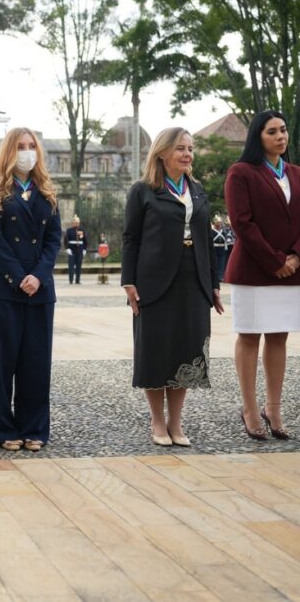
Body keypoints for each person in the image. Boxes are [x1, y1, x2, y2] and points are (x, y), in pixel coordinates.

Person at [122, 127, 223, 447]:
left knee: (186, 349)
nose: (187, 154)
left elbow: (206, 238)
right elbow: (131, 238)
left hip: (193, 279)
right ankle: (157, 421)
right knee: (155, 349)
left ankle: (176, 423)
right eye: (180, 148)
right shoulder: (143, 191)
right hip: (153, 281)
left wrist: (213, 283)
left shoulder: (197, 189)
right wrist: (129, 281)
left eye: (190, 148)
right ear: (162, 152)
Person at [0, 129, 62, 451]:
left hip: (40, 289)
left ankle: (34, 428)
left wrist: (38, 276)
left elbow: (54, 239)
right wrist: (18, 277)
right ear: (8, 152)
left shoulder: (48, 191)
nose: (27, 153)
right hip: (2, 287)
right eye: (21, 147)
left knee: (36, 363)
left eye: (31, 147)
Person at [225, 110, 298, 440]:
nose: (280, 136)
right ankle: (250, 409)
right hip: (254, 270)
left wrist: (294, 257)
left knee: (279, 336)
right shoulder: (241, 173)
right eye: (272, 132)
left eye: (283, 130)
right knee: (251, 336)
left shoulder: (296, 173)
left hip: (291, 271)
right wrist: (274, 261)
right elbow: (242, 223)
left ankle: (273, 407)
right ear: (258, 137)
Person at [63, 215, 87, 284]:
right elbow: (66, 240)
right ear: (72, 223)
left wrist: (84, 249)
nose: (76, 224)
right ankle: (71, 280)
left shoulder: (82, 230)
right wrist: (67, 248)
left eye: (77, 223)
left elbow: (85, 240)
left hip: (80, 250)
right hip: (72, 250)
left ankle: (78, 280)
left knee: (79, 266)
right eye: (74, 222)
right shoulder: (69, 230)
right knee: (71, 266)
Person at [210, 215, 228, 281]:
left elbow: (225, 239)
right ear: (214, 223)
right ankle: (215, 277)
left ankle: (221, 276)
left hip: (222, 248)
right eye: (217, 222)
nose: (219, 224)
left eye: (219, 222)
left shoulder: (223, 231)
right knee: (215, 263)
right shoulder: (212, 231)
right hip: (215, 248)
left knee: (221, 263)